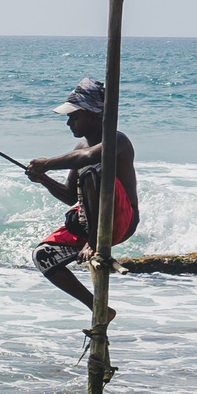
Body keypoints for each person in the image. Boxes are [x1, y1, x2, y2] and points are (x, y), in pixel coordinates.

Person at [25, 76, 139, 313]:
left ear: (95, 115)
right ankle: (99, 309)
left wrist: (46, 163)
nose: (69, 123)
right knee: (43, 256)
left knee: (92, 168)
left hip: (120, 220)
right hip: (90, 221)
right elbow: (70, 196)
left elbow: (88, 159)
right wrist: (43, 179)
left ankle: (93, 240)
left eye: (74, 117)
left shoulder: (118, 140)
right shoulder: (80, 148)